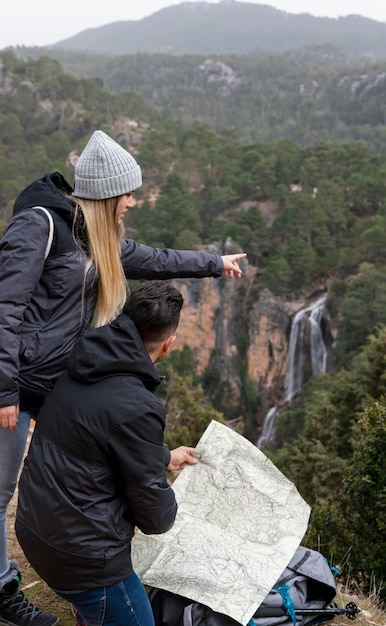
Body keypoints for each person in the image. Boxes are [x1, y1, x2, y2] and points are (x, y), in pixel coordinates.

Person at [0, 129, 246, 626]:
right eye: (127, 194)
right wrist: (4, 389)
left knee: (78, 466)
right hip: (17, 386)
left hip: (55, 386)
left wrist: (213, 265)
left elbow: (153, 258)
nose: (132, 202)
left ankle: (73, 564)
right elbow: (4, 307)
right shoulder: (41, 226)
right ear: (105, 194)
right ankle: (3, 587)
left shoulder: (97, 236)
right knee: (1, 490)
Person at [15, 281, 197, 626]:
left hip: (34, 529)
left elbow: (94, 440)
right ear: (169, 344)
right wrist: (178, 506)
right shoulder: (139, 406)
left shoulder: (80, 359)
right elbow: (156, 517)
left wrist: (162, 457)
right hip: (82, 560)